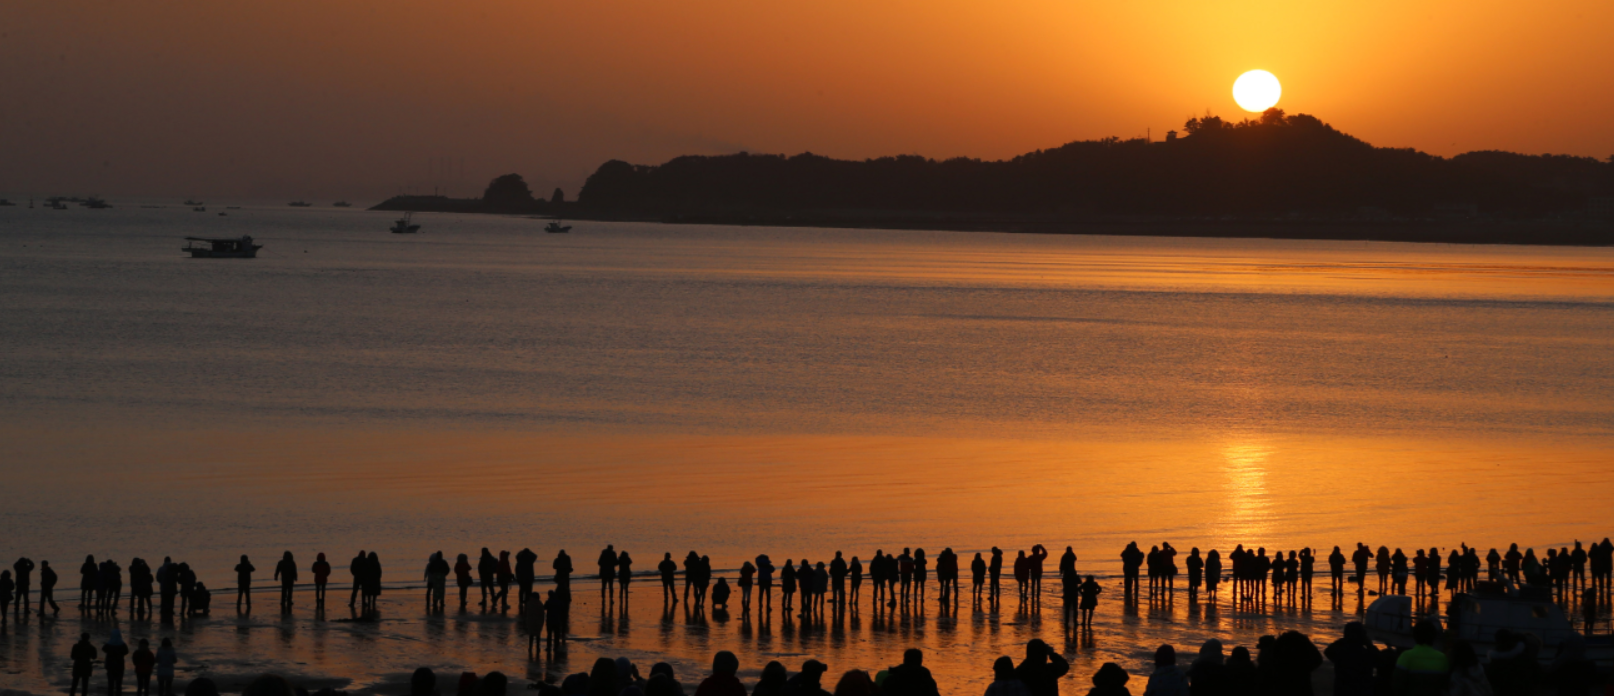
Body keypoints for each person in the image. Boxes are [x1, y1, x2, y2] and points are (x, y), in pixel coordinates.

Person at [1392, 620, 1449, 695]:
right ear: (1434, 637)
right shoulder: (1442, 658)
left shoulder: (1406, 656)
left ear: (1414, 636)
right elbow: (1446, 686)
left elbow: (1396, 685)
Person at [1324, 622, 1378, 696]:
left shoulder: (1340, 652)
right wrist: (1369, 645)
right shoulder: (1366, 654)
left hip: (1342, 691)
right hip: (1362, 691)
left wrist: (1344, 640)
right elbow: (1379, 660)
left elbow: (1328, 651)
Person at [104, 629, 131, 696]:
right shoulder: (122, 645)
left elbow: (103, 649)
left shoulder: (109, 645)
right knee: (118, 685)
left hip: (110, 667)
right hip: (119, 667)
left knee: (110, 685)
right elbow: (126, 651)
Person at [524, 586, 547, 659]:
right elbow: (542, 614)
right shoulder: (540, 604)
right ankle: (538, 647)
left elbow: (526, 613)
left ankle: (530, 647)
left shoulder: (529, 603)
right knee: (537, 635)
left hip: (531, 621)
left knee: (531, 635)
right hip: (538, 622)